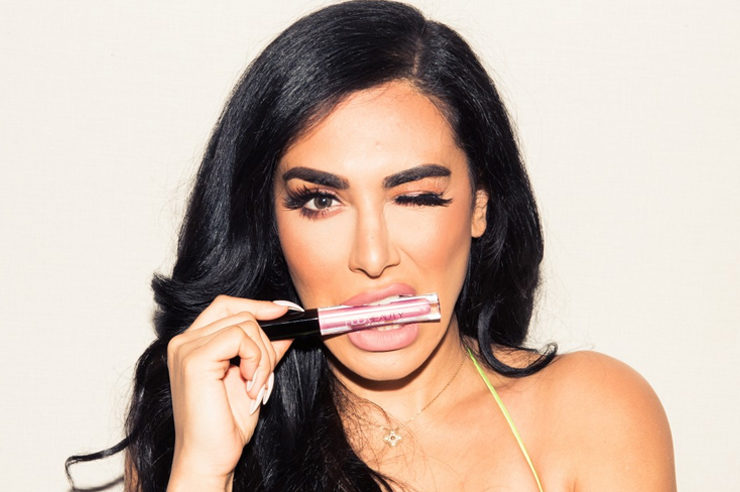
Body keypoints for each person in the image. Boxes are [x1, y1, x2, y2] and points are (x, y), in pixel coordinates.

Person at [67, 1, 676, 490]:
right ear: (269, 221)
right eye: (320, 201)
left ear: (479, 207)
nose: (373, 255)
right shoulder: (191, 430)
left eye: (416, 197)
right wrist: (203, 473)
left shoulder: (594, 414)